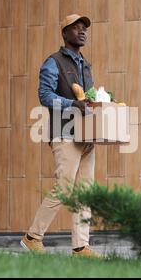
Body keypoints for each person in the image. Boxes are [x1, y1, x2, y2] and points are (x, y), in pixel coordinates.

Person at [20, 14, 102, 259]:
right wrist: (72, 104)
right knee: (64, 189)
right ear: (64, 34)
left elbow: (88, 99)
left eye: (84, 28)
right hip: (64, 134)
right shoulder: (53, 62)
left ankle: (80, 247)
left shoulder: (86, 65)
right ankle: (32, 237)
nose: (82, 31)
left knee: (85, 192)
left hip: (87, 137)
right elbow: (44, 95)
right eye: (75, 28)